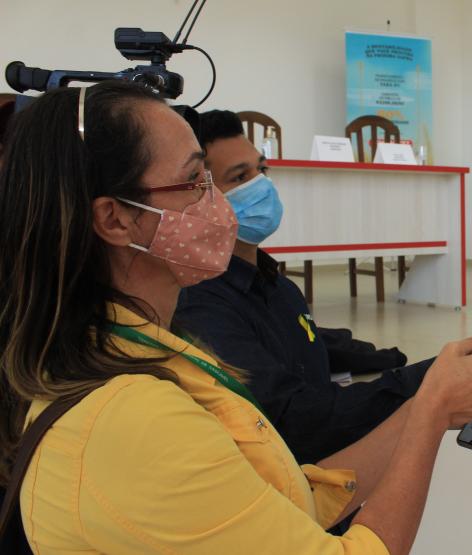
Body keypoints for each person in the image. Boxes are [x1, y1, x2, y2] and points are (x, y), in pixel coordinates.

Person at [0, 80, 472, 554]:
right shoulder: (133, 420)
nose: (218, 202)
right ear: (115, 218)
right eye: (194, 182)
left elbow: (290, 496)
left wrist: (429, 404)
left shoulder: (148, 348)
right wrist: (426, 417)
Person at [174, 109, 431, 464]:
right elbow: (297, 418)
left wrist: (387, 360)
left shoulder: (278, 285)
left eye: (261, 169)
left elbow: (301, 343)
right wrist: (427, 382)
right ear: (199, 195)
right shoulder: (200, 306)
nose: (261, 185)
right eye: (239, 177)